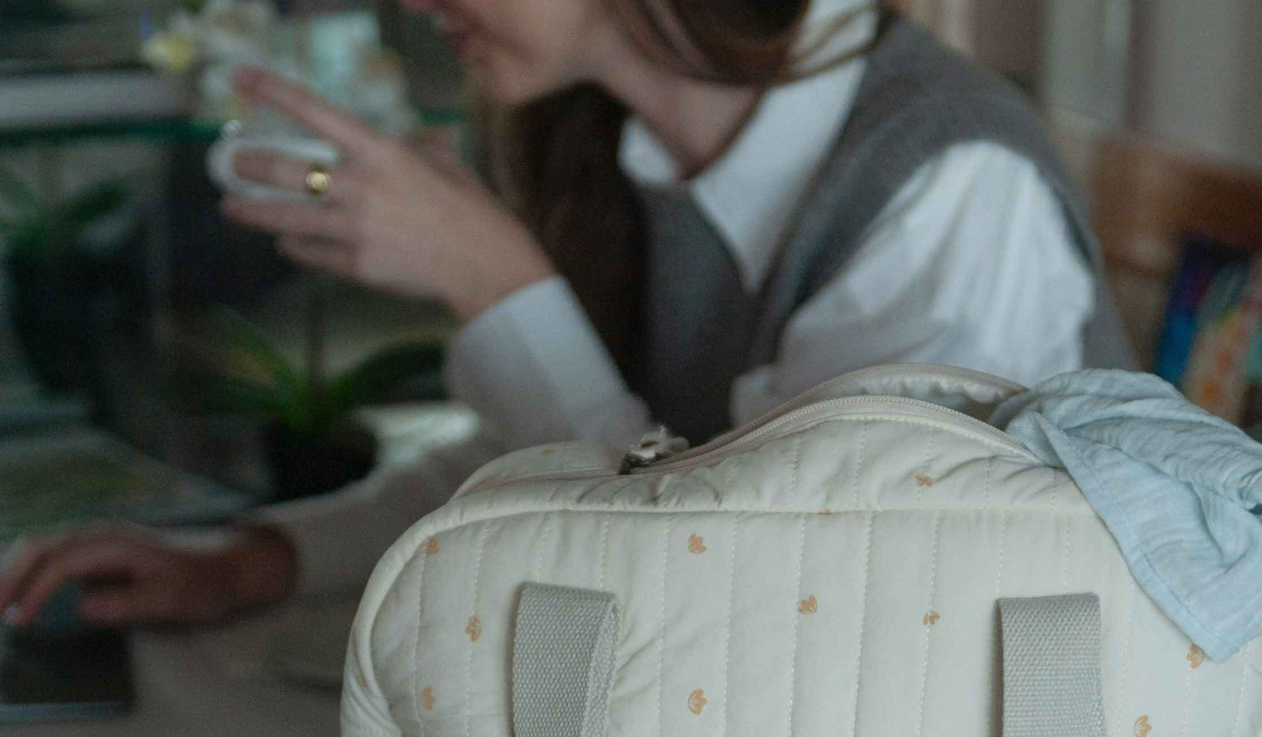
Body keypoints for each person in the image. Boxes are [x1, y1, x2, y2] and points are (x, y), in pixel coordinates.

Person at [0, 0, 1131, 632]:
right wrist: (255, 561)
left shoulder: (952, 184)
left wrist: (499, 288)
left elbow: (784, 607)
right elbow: (532, 466)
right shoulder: (602, 140)